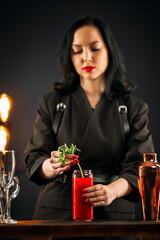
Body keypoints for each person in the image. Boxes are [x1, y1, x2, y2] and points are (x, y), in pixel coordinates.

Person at [22, 15, 154, 239]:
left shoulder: (134, 108)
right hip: (57, 213)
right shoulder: (52, 104)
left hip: (114, 212)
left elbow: (139, 168)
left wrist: (112, 191)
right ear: (69, 57)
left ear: (109, 51)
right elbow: (34, 159)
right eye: (77, 50)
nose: (86, 57)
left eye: (95, 48)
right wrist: (51, 165)